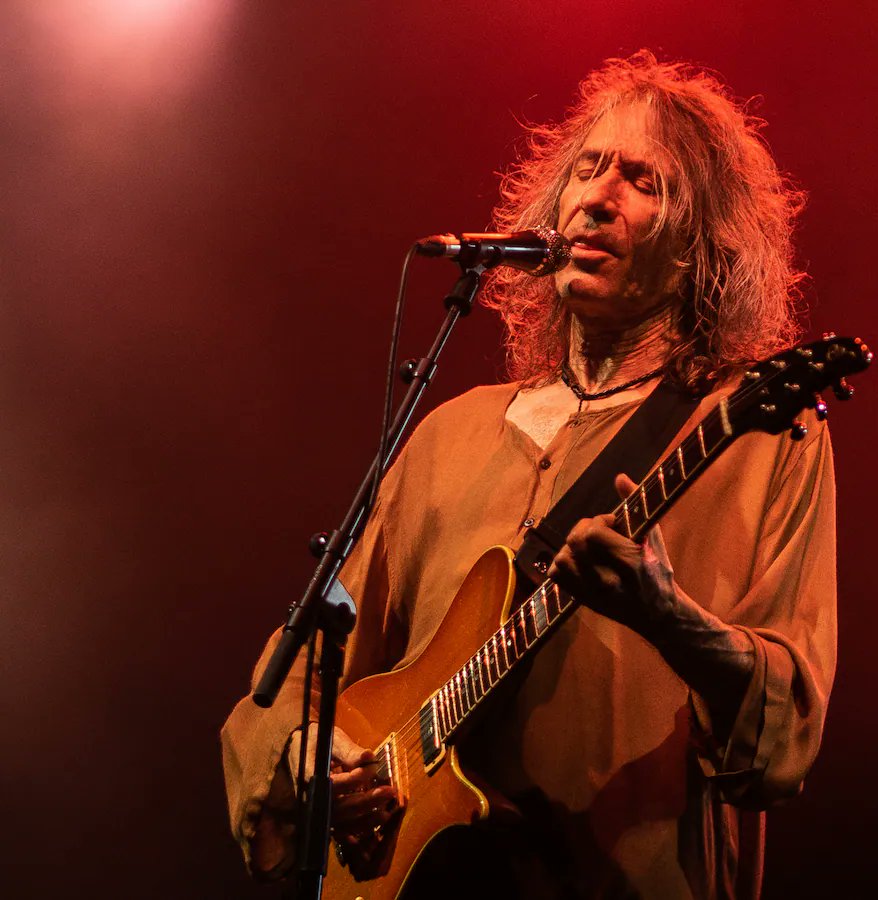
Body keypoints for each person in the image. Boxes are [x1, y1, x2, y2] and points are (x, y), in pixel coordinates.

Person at [221, 50, 838, 899]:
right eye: (586, 170)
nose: (594, 197)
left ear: (703, 246)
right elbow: (298, 674)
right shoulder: (451, 434)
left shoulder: (760, 432)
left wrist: (671, 620)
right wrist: (309, 755)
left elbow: (787, 724)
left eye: (642, 180)